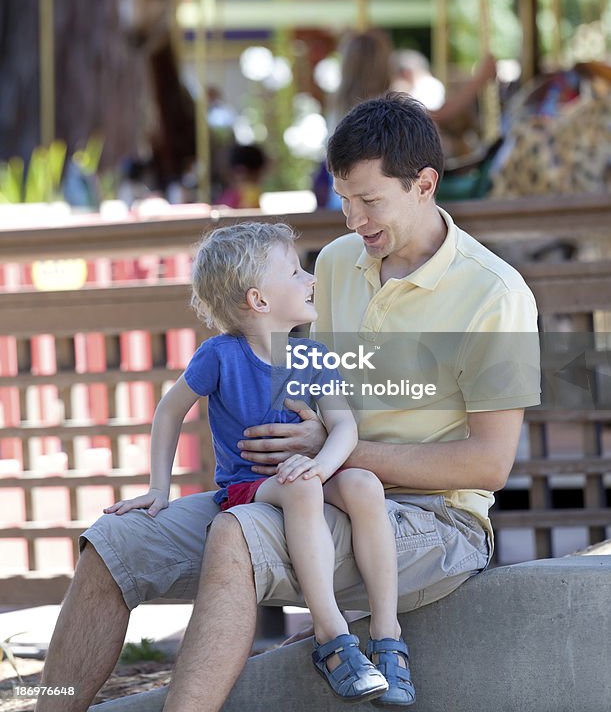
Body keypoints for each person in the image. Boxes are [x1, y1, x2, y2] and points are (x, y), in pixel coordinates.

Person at [36, 93, 540, 712]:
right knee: (115, 548)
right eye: (345, 199)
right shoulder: (334, 262)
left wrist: (329, 455)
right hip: (300, 486)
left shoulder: (495, 294)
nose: (352, 219)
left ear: (425, 184)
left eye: (369, 201)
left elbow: (488, 465)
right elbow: (296, 380)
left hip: (431, 522)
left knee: (239, 533)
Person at [102, 222, 412, 706]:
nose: (310, 278)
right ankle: (331, 636)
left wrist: (322, 466)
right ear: (259, 300)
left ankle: (387, 635)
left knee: (367, 486)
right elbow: (168, 411)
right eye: (294, 271)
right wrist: (158, 488)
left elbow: (343, 428)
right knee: (303, 490)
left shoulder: (315, 356)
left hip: (309, 472)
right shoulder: (220, 356)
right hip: (250, 485)